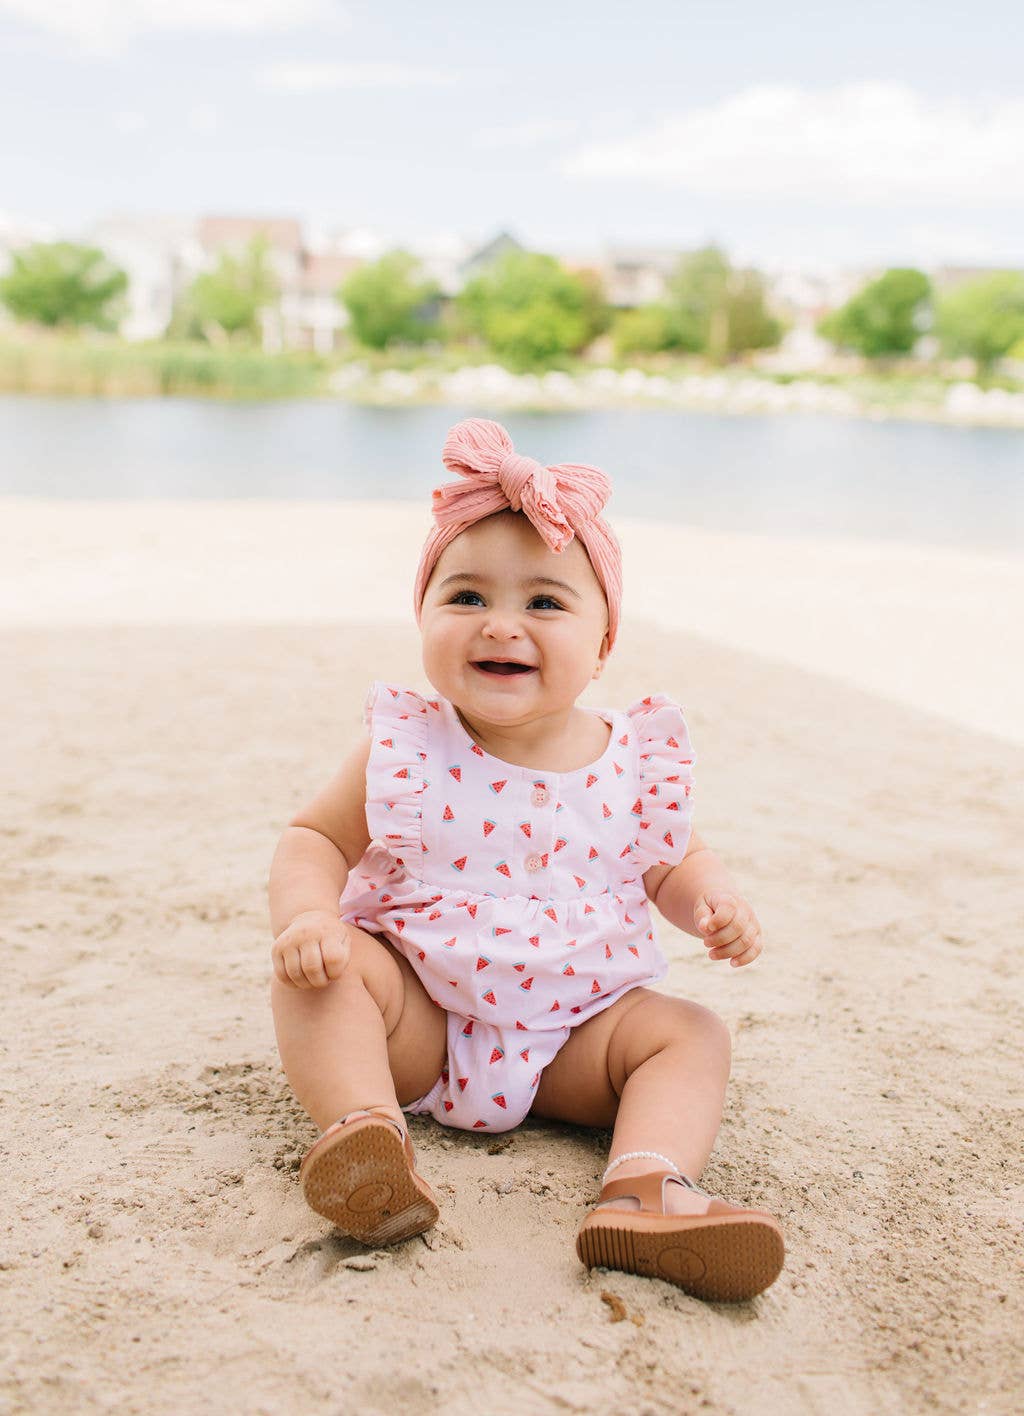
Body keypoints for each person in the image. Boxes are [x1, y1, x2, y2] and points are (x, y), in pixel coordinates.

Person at [268, 417, 784, 1303]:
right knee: (325, 976)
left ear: (604, 645)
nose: (500, 625)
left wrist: (712, 898)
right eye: (465, 597)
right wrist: (310, 916)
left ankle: (645, 1186)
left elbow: (671, 859)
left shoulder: (633, 757)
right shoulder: (407, 744)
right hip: (420, 1024)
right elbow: (314, 838)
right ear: (423, 617)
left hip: (575, 1042)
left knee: (690, 1034)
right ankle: (366, 1137)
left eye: (544, 603)